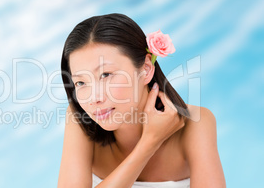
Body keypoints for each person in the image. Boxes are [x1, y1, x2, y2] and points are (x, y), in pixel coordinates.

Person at [57, 13, 226, 187]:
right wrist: (149, 143)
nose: (94, 98)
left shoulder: (195, 123)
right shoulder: (80, 118)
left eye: (106, 74)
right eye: (81, 82)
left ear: (145, 69)